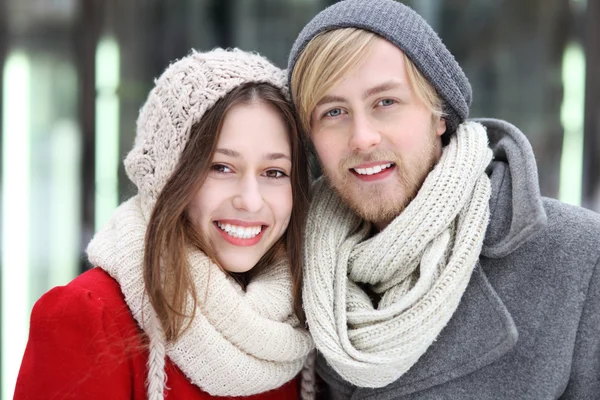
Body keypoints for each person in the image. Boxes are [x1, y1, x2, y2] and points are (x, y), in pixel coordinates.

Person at [287, 0, 600, 399]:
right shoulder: (298, 267)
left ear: (439, 114)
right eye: (333, 112)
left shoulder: (578, 258)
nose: (362, 137)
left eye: (386, 103)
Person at [15, 48, 314, 400]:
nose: (250, 200)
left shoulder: (301, 321)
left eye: (274, 172)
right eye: (221, 167)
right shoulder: (88, 315)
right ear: (169, 177)